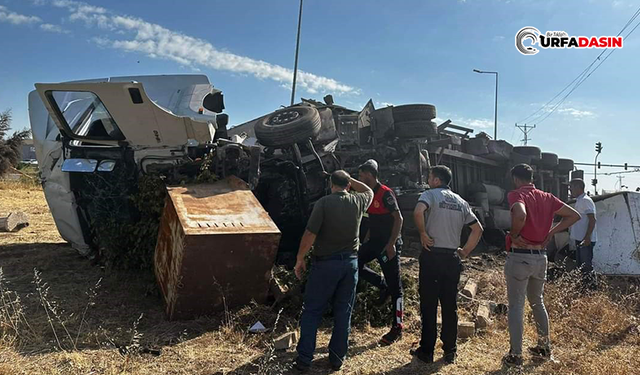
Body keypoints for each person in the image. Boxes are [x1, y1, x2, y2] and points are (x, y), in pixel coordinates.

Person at [293, 170, 374, 373]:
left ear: (331, 184)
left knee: (312, 311)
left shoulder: (324, 203)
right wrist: (350, 179)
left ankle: (304, 359)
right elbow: (369, 190)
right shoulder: (358, 202)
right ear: (348, 185)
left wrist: (300, 258)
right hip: (350, 264)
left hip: (325, 265)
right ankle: (337, 358)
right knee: (343, 312)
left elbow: (310, 234)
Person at [503, 164, 580, 367]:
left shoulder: (516, 194)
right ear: (531, 177)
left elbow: (520, 215)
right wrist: (551, 232)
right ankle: (544, 347)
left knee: (516, 306)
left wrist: (514, 234)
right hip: (540, 256)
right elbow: (574, 215)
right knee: (538, 302)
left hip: (520, 256)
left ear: (516, 179)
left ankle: (516, 354)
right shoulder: (547, 197)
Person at [412, 165, 484, 365]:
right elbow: (477, 229)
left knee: (428, 304)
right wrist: (465, 251)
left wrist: (423, 234)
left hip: (432, 255)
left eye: (430, 177)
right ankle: (450, 351)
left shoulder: (430, 195)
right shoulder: (461, 202)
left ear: (436, 180)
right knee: (449, 305)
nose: (428, 180)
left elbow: (418, 212)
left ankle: (427, 351)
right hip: (452, 257)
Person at [356, 159, 404, 345]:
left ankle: (397, 327)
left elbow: (398, 219)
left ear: (369, 175)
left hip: (387, 246)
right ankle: (380, 284)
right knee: (355, 263)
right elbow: (371, 220)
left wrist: (392, 244)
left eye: (361, 176)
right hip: (373, 243)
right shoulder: (366, 194)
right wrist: (366, 239)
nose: (360, 178)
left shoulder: (385, 193)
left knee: (396, 287)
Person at [568, 178, 598, 286]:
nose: (570, 190)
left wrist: (587, 237)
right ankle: (584, 288)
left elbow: (592, 219)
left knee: (586, 266)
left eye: (571, 188)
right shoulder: (580, 200)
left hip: (585, 239)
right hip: (580, 238)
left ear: (578, 187)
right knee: (581, 265)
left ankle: (590, 289)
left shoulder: (585, 200)